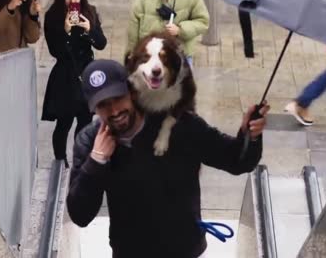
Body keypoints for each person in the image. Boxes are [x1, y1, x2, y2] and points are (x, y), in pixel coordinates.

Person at [66, 59, 270, 258]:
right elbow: (80, 215)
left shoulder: (175, 123)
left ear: (133, 93)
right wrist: (97, 162)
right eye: (103, 105)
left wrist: (249, 136)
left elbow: (236, 160)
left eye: (118, 98)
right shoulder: (90, 141)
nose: (114, 111)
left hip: (184, 249)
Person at [41, 0, 107, 167]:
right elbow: (55, 51)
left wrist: (89, 30)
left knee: (85, 121)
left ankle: (81, 159)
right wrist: (66, 31)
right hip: (64, 75)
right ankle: (61, 162)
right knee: (64, 122)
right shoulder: (53, 16)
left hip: (86, 74)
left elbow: (101, 43)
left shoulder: (89, 12)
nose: (71, 1)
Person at [126, 0, 209, 66]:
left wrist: (181, 30)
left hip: (179, 56)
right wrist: (131, 53)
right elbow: (133, 28)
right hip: (149, 56)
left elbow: (203, 21)